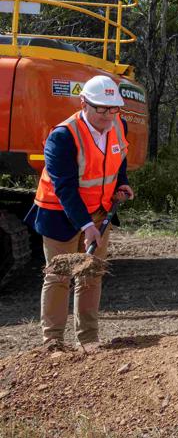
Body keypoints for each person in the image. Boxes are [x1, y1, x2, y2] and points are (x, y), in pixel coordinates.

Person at [26, 75, 134, 352]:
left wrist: (121, 183)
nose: (108, 115)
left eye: (113, 109)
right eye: (101, 108)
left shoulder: (119, 125)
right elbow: (65, 188)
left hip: (100, 210)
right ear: (83, 102)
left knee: (91, 274)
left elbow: (118, 158)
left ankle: (88, 339)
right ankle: (53, 341)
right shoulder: (63, 136)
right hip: (60, 213)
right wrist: (86, 225)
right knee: (59, 275)